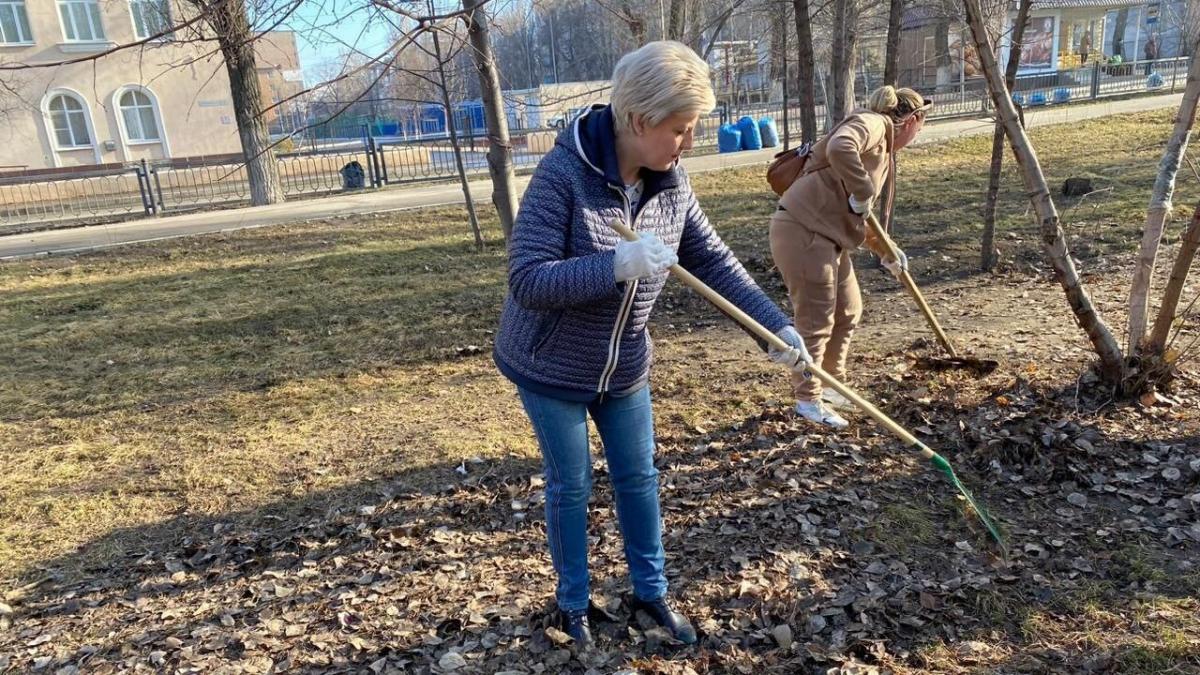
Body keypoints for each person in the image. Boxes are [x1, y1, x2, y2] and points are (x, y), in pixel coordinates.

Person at [493, 41, 810, 648]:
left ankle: (650, 595)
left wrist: (774, 327)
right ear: (639, 120)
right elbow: (527, 281)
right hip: (550, 364)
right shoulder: (562, 175)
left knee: (638, 476)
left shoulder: (670, 183)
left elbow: (711, 260)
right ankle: (574, 606)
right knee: (574, 484)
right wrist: (615, 265)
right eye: (680, 129)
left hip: (624, 365)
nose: (686, 143)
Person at [768, 86, 931, 429]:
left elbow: (857, 213)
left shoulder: (883, 147)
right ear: (913, 120)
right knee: (816, 319)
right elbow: (843, 147)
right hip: (803, 231)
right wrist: (864, 189)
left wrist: (887, 251)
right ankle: (807, 400)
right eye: (922, 124)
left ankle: (831, 384)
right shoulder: (873, 123)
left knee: (848, 310)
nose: (920, 132)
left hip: (827, 236)